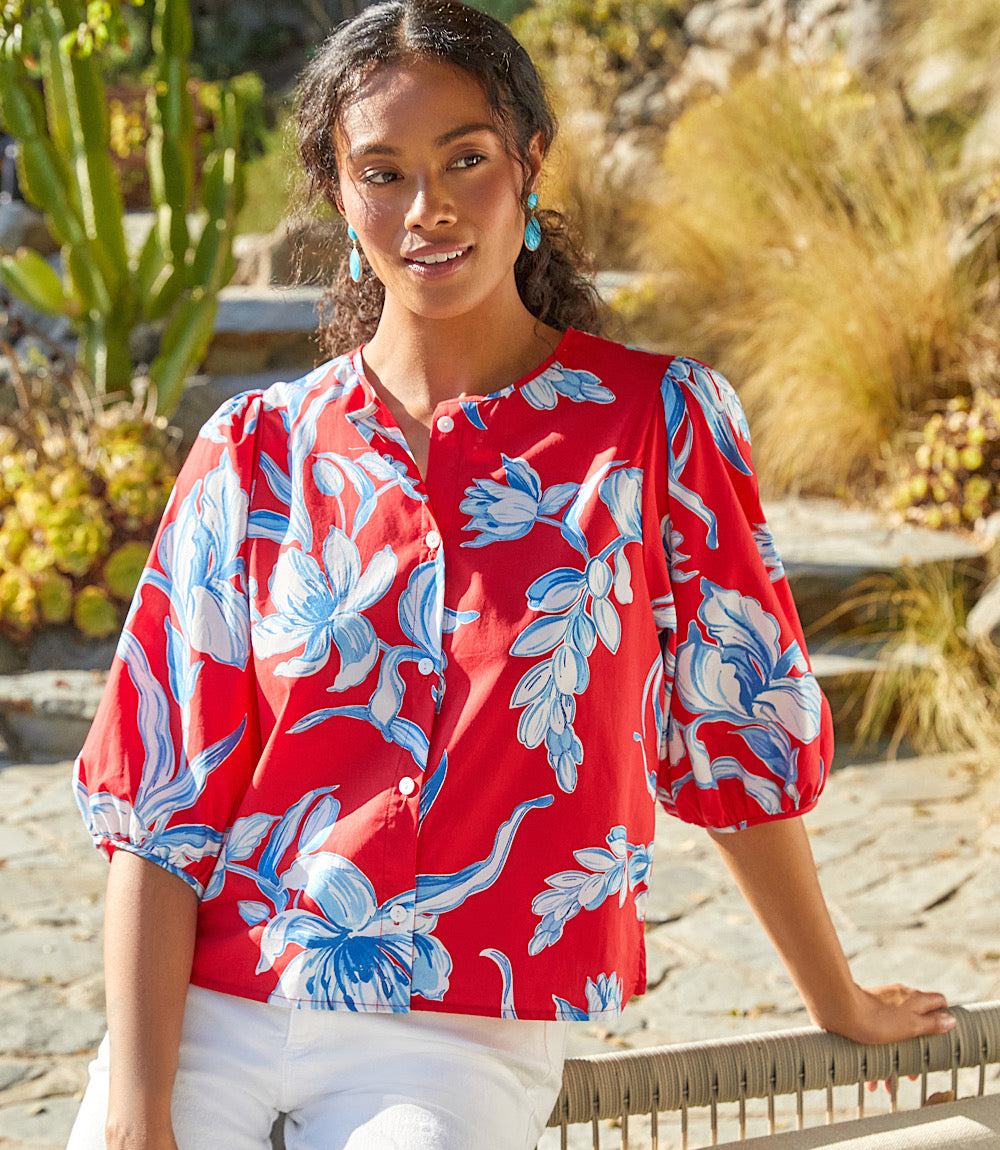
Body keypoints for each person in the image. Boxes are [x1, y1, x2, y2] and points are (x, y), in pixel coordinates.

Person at [65, 2, 956, 1148]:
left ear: (529, 162)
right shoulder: (254, 451)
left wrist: (837, 998)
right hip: (211, 1009)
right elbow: (160, 810)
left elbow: (732, 741)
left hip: (456, 1038)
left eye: (465, 159)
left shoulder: (656, 427)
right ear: (338, 193)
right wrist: (137, 1113)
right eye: (382, 172)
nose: (425, 208)